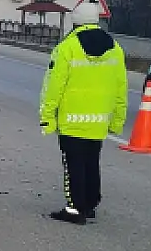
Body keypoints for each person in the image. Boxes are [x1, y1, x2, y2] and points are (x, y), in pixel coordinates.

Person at [39, 20, 127, 224]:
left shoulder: (68, 47)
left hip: (71, 119)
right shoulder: (115, 49)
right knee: (91, 162)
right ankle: (89, 204)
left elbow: (54, 85)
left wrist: (47, 117)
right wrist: (117, 120)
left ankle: (75, 210)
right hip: (98, 120)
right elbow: (121, 87)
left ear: (76, 23)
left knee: (73, 165)